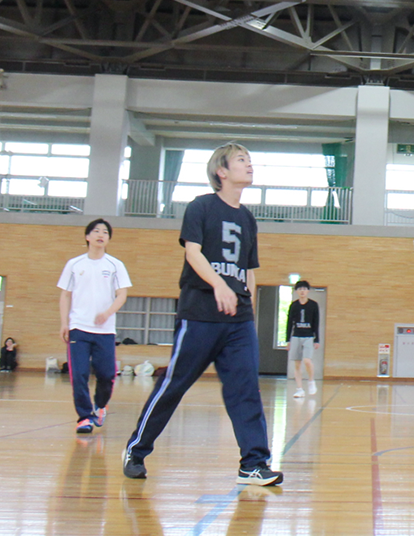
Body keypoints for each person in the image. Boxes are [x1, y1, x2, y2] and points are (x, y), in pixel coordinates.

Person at [122, 143, 282, 486]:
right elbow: (193, 253)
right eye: (242, 159)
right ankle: (136, 450)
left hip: (238, 321)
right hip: (199, 314)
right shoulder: (201, 207)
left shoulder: (248, 218)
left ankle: (253, 463)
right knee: (173, 385)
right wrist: (218, 285)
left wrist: (246, 302)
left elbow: (248, 269)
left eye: (250, 159)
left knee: (245, 389)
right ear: (221, 171)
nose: (250, 165)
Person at [57, 219, 132, 434]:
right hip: (79, 328)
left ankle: (100, 405)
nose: (101, 234)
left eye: (105, 232)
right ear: (87, 236)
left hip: (105, 331)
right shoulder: (74, 264)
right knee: (78, 374)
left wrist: (107, 313)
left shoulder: (115, 265)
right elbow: (65, 294)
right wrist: (64, 322)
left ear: (108, 238)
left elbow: (122, 294)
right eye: (96, 231)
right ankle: (84, 417)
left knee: (107, 374)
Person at [286, 280, 321, 399]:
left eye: (304, 289)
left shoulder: (313, 305)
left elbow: (316, 322)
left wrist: (317, 339)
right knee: (297, 364)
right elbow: (289, 323)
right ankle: (299, 389)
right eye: (300, 289)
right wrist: (288, 340)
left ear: (308, 291)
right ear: (296, 291)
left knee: (307, 360)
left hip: (308, 336)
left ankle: (311, 381)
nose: (302, 291)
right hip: (296, 336)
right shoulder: (294, 305)